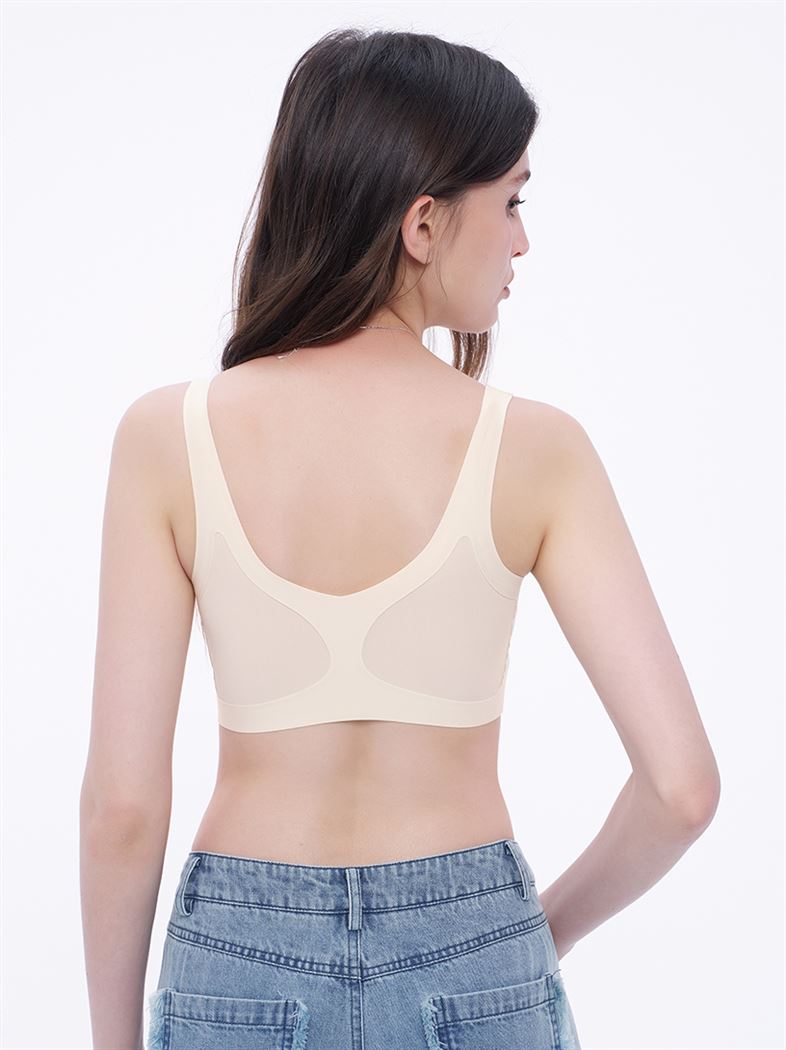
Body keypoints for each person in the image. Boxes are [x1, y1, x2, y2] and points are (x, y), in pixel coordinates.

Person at [79, 27, 721, 1050]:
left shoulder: (168, 437)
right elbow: (682, 790)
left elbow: (122, 806)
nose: (521, 241)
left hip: (240, 953)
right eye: (511, 201)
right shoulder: (536, 450)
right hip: (475, 945)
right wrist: (523, 940)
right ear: (424, 224)